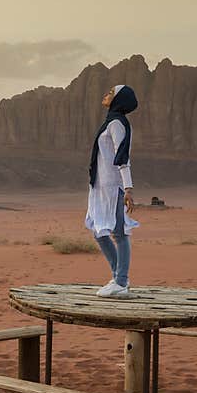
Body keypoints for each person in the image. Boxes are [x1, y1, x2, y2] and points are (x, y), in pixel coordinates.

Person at [85, 84, 139, 297]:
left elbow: (122, 157)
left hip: (113, 186)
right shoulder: (111, 121)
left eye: (110, 92)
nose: (105, 94)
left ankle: (121, 281)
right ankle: (119, 276)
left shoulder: (117, 123)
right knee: (98, 231)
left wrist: (128, 188)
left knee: (119, 233)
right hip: (100, 186)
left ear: (119, 99)